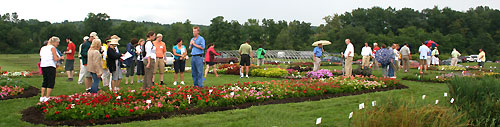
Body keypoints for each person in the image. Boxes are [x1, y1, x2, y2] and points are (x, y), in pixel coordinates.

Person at [39, 36, 64, 102]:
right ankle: (47, 97)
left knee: (45, 80)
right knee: (51, 81)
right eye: (57, 42)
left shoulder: (43, 48)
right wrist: (61, 58)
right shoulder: (53, 48)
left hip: (43, 65)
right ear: (54, 42)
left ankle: (42, 97)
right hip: (50, 65)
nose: (58, 44)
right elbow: (55, 58)